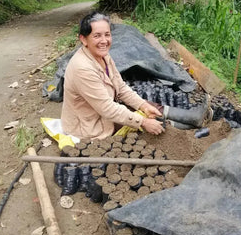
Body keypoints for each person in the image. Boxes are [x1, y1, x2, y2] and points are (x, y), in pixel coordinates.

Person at [61, 12, 165, 140]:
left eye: (107, 35)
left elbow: (120, 87)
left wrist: (143, 106)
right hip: (89, 127)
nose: (104, 41)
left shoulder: (103, 56)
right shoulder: (82, 68)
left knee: (150, 108)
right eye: (97, 36)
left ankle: (184, 121)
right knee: (139, 133)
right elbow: (107, 109)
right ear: (83, 39)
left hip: (103, 113)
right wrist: (143, 122)